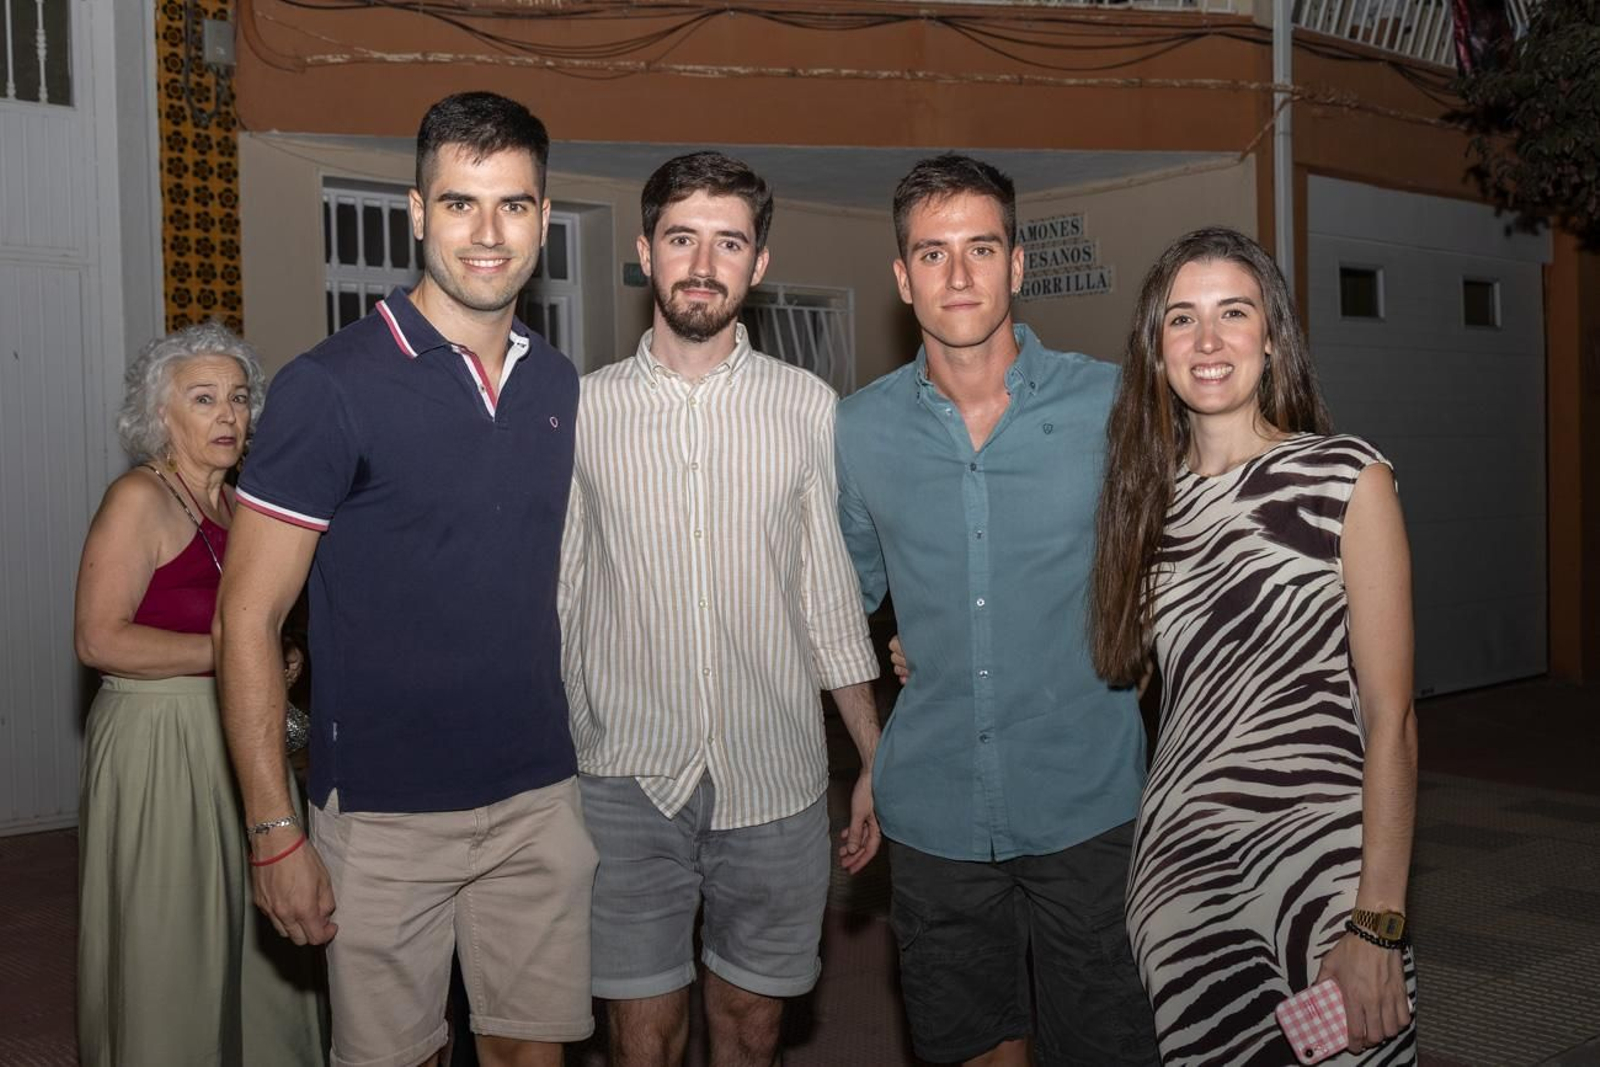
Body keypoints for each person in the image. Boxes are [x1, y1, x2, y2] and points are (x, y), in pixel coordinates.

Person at [215, 91, 594, 1067]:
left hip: (536, 794)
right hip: (383, 811)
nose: (486, 232)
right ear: (416, 211)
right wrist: (271, 829)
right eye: (459, 203)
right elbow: (247, 620)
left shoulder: (556, 382)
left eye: (512, 204)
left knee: (530, 1052)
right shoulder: (329, 386)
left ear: (543, 220)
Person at [834, 153, 1160, 1066]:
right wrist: (872, 752)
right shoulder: (858, 431)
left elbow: (1171, 567)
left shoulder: (1113, 403)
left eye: (981, 248)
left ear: (1017, 264)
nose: (960, 274)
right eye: (932, 254)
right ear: (903, 279)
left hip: (1088, 806)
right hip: (933, 811)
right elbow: (840, 608)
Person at [557, 151, 882, 1067]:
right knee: (642, 1038)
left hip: (774, 777)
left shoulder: (809, 409)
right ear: (645, 251)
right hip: (622, 779)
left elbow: (827, 596)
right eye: (682, 238)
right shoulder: (582, 412)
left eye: (728, 242)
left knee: (752, 1028)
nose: (703, 263)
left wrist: (871, 754)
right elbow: (559, 594)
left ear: (759, 263)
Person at [1090, 227, 1418, 1064]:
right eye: (1181, 319)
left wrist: (1378, 920)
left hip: (1324, 877)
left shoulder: (1347, 479)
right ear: (1154, 348)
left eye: (1233, 314)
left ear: (1271, 336)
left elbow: (1392, 719)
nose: (1207, 342)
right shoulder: (1145, 505)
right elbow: (1134, 688)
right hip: (1181, 883)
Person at [73, 322, 326, 1066]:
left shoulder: (242, 505)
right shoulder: (138, 499)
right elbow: (98, 639)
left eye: (239, 399)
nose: (227, 415)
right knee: (171, 933)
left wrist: (279, 651)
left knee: (258, 926)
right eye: (204, 398)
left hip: (241, 733)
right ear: (161, 416)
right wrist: (234, 655)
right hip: (159, 741)